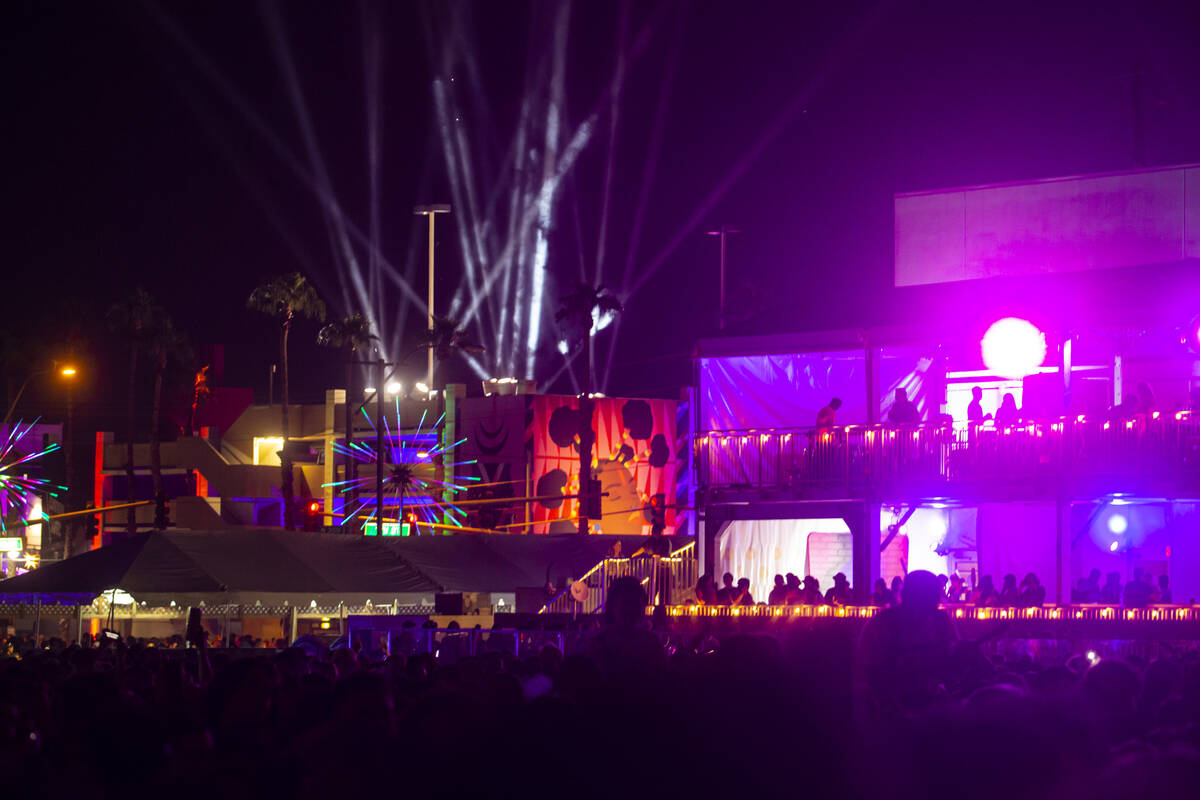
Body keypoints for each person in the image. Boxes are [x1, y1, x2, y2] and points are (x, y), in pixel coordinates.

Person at [857, 570, 958, 717]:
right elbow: (868, 671)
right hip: (890, 709)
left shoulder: (942, 621)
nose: (936, 599)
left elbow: (952, 661)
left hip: (932, 708)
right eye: (932, 594)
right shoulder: (883, 624)